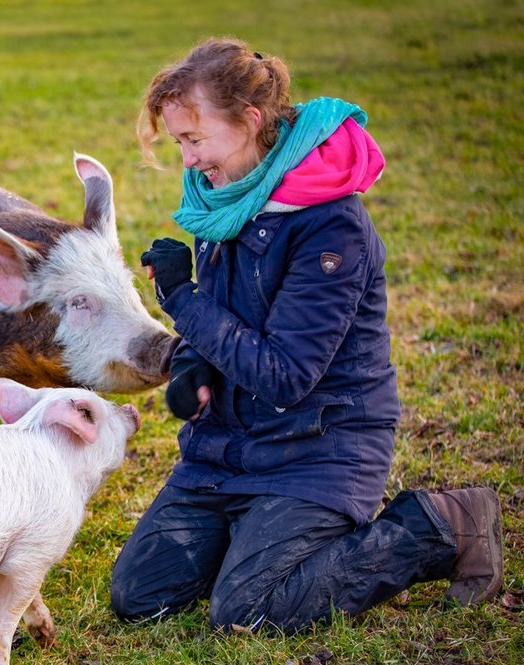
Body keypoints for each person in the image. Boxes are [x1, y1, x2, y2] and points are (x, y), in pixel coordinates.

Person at [109, 37, 504, 633]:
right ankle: (259, 535)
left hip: (318, 446)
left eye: (194, 139)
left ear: (250, 120)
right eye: (178, 143)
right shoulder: (226, 201)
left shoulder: (330, 225)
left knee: (248, 610)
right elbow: (227, 321)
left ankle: (441, 526)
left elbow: (287, 376)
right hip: (228, 449)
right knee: (140, 597)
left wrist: (181, 301)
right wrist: (192, 369)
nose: (187, 160)